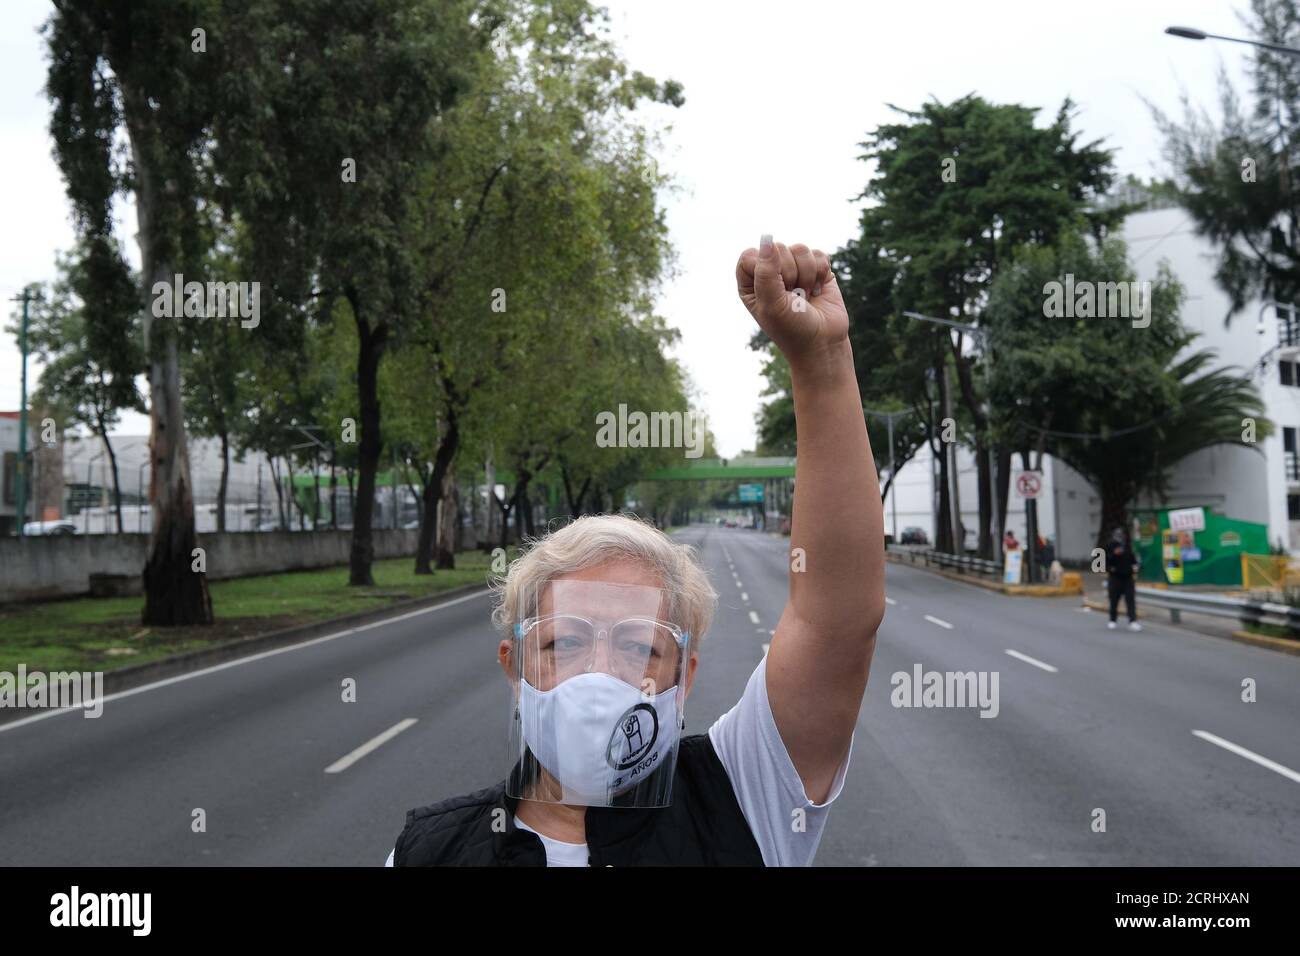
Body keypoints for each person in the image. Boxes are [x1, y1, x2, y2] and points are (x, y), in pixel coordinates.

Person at [385, 236, 884, 866]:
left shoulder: (742, 798)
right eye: (563, 643)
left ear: (684, 678)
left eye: (638, 647)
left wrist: (823, 358)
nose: (599, 673)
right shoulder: (433, 852)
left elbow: (837, 619)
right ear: (515, 668)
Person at [1105, 526, 1141, 631]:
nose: (1120, 537)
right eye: (1118, 535)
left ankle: (1132, 621)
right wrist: (1113, 556)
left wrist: (1136, 566)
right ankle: (1112, 620)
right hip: (1115, 577)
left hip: (1128, 577)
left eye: (1121, 535)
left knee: (1130, 599)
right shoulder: (1109, 547)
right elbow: (1104, 562)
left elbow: (1133, 560)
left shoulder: (1128, 547)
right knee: (1114, 600)